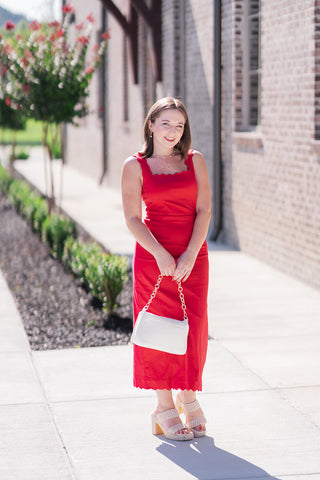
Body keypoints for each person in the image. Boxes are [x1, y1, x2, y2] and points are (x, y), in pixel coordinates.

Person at [121, 97, 211, 441]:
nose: (173, 131)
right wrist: (160, 254)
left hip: (193, 258)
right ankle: (163, 407)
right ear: (151, 125)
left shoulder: (195, 160)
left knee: (194, 328)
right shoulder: (135, 165)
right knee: (158, 329)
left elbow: (204, 211)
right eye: (166, 123)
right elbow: (131, 218)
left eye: (179, 125)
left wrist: (190, 253)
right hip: (153, 258)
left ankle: (187, 394)